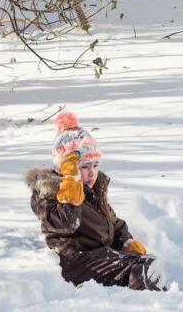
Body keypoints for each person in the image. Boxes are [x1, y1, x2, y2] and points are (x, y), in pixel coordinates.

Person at [25, 112, 164, 291]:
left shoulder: (92, 190)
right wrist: (71, 187)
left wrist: (125, 242)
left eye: (95, 165)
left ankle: (152, 302)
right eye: (84, 167)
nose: (92, 173)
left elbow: (111, 222)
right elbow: (67, 223)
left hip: (100, 256)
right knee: (141, 268)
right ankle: (145, 309)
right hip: (75, 261)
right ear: (65, 168)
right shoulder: (47, 193)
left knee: (147, 263)